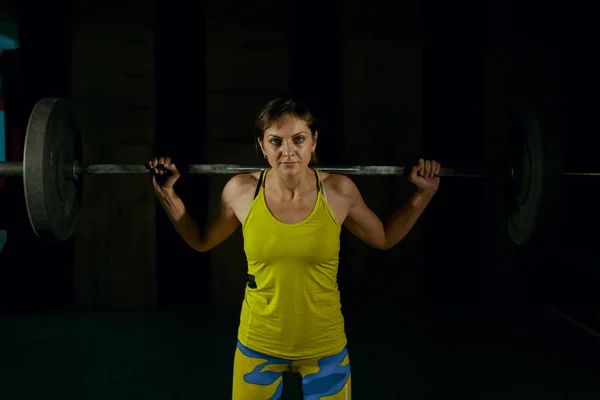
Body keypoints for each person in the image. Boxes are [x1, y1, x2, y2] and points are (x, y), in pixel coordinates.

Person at [149, 98, 440, 400]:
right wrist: (167, 194)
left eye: (298, 139)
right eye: (275, 141)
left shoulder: (339, 191)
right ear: (262, 146)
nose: (287, 151)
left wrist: (423, 195)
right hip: (258, 345)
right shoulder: (242, 191)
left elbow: (384, 238)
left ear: (314, 142)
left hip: (324, 348)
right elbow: (201, 241)